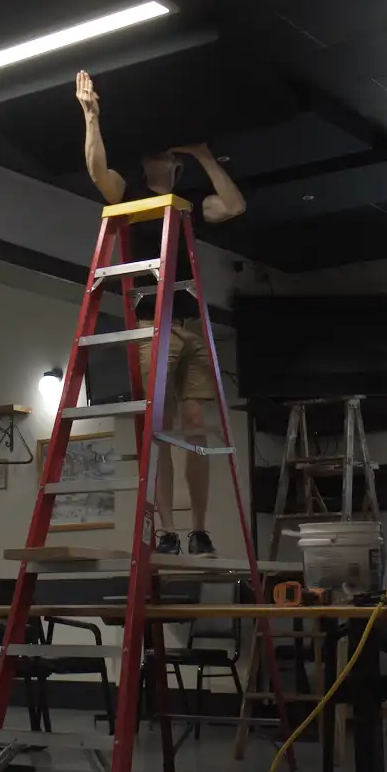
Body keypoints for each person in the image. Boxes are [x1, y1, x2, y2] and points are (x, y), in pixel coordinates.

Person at [76, 69, 246, 556]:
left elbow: (233, 205)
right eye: (155, 152)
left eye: (166, 154)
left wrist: (203, 155)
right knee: (163, 424)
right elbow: (97, 173)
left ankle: (199, 526)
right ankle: (167, 527)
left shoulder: (188, 205)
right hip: (155, 323)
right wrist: (92, 117)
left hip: (191, 323)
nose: (159, 156)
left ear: (173, 165)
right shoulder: (129, 198)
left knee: (195, 424)